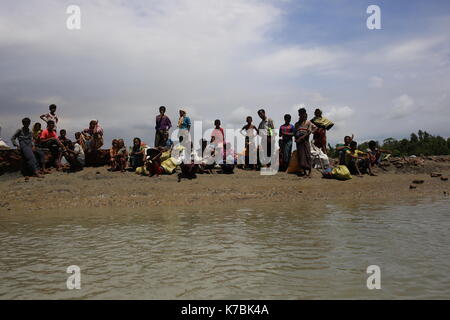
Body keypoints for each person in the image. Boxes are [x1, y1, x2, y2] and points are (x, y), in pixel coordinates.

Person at [294, 108, 317, 177]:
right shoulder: (297, 124)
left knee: (307, 155)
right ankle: (303, 171)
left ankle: (310, 171)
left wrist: (302, 137)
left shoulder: (308, 122)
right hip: (298, 141)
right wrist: (296, 138)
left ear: (304, 114)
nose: (300, 115)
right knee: (301, 156)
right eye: (299, 114)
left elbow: (309, 132)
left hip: (305, 140)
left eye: (301, 114)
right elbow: (295, 132)